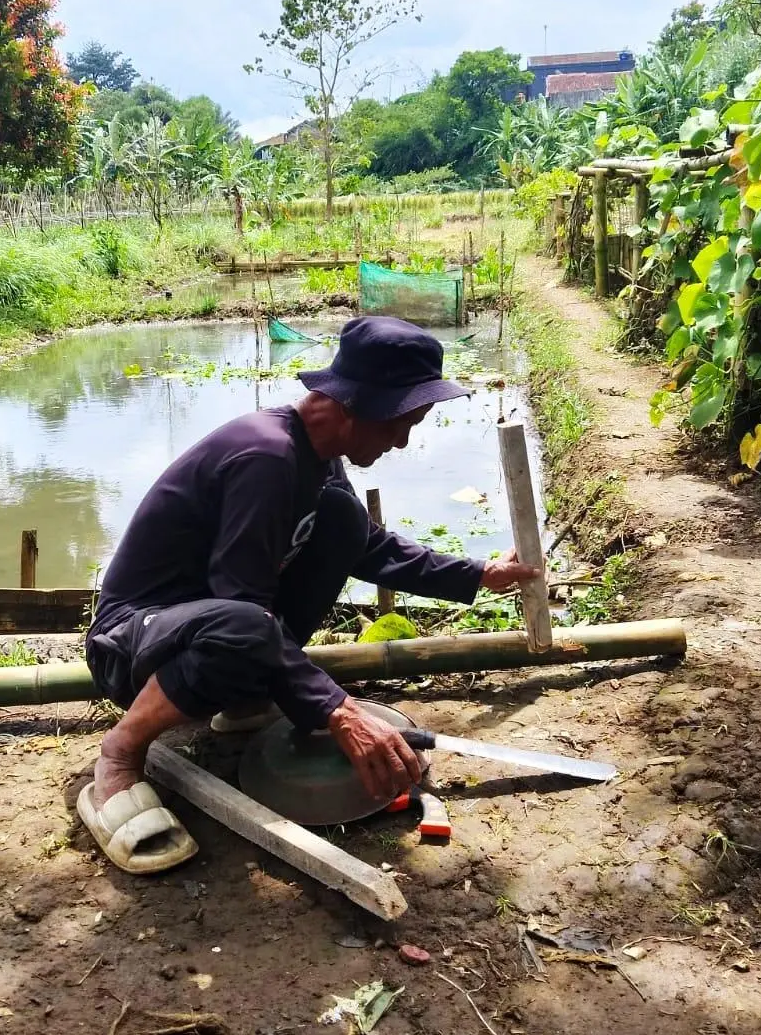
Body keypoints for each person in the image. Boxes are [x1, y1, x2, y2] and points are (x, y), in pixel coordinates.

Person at [77, 315, 541, 873]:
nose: (402, 439)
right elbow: (244, 605)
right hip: (131, 643)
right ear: (357, 405)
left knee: (343, 521)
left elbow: (368, 548)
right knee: (246, 624)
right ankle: (120, 755)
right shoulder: (265, 457)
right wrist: (338, 710)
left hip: (204, 623)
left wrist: (476, 574)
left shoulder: (317, 456)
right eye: (403, 421)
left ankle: (245, 697)